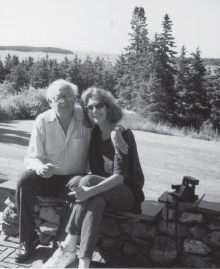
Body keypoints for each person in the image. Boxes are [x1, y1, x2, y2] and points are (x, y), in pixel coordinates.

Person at [14, 80, 133, 263]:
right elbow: (31, 157)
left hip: (74, 177)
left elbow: (121, 114)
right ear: (50, 101)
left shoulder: (86, 117)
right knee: (24, 180)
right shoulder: (42, 121)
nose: (66, 101)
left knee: (78, 185)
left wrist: (118, 129)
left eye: (71, 96)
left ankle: (61, 247)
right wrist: (40, 167)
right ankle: (27, 240)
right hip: (47, 176)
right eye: (60, 97)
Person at [42, 87, 145, 269]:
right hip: (104, 192)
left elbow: (119, 178)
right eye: (90, 108)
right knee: (95, 201)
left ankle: (68, 243)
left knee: (88, 182)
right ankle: (84, 262)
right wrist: (90, 191)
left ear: (109, 107)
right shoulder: (95, 133)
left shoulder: (122, 135)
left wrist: (88, 189)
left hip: (126, 194)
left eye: (99, 106)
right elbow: (96, 173)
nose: (94, 111)